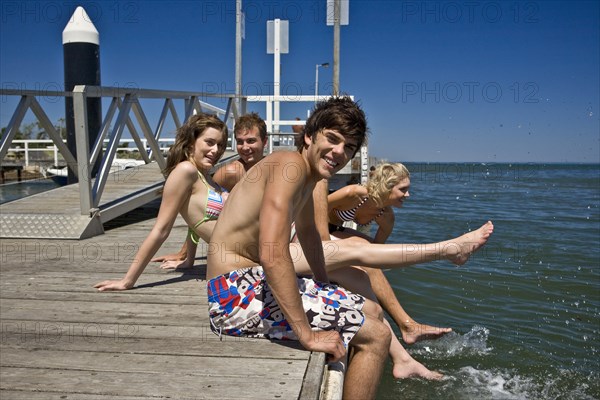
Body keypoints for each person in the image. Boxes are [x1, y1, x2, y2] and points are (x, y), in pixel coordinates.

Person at [206, 96, 390, 399]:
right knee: (377, 336)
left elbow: (307, 234)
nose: (339, 152)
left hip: (251, 282)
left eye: (349, 147)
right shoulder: (290, 164)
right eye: (332, 139)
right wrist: (307, 335)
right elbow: (272, 252)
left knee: (372, 308)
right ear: (309, 136)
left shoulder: (306, 175)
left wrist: (322, 281)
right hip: (233, 296)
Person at [94, 113, 229, 291]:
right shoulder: (186, 171)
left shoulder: (205, 176)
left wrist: (188, 260)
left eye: (220, 145)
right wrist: (128, 281)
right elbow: (161, 229)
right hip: (242, 254)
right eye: (209, 142)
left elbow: (196, 220)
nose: (216, 150)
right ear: (191, 143)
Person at [328, 162, 454, 344]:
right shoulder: (354, 194)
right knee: (363, 245)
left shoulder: (386, 217)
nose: (408, 195)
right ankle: (407, 325)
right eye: (403, 189)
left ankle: (401, 327)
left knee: (369, 253)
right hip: (307, 228)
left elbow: (376, 254)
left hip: (333, 230)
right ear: (387, 186)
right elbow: (314, 207)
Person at [150, 113, 268, 268]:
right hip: (247, 249)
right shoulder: (231, 173)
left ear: (264, 142)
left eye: (251, 141)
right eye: (240, 142)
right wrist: (185, 253)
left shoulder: (271, 168)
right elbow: (202, 208)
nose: (245, 148)